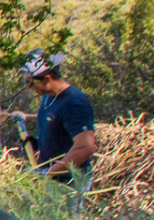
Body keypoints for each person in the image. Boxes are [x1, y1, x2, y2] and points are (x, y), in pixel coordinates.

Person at [12, 50, 97, 184]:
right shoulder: (48, 96)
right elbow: (58, 129)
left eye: (30, 82)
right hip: (52, 179)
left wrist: (48, 173)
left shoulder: (74, 104)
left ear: (47, 79)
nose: (28, 87)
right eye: (25, 81)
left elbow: (85, 148)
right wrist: (37, 142)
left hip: (70, 183)